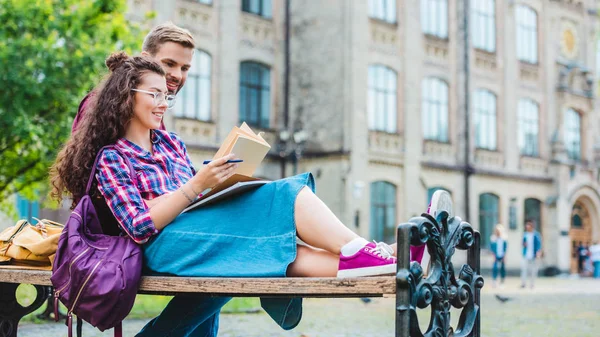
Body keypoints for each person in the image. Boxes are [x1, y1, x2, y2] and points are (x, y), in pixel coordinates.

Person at [49, 52, 397, 336]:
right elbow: (140, 225)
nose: (163, 104)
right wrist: (195, 186)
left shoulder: (170, 143)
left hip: (197, 229)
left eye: (166, 96)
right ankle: (367, 252)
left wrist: (216, 183)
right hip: (164, 247)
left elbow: (188, 200)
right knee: (287, 195)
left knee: (277, 247)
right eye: (154, 95)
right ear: (126, 98)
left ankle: (381, 264)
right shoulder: (113, 156)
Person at [72, 21, 195, 132]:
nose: (178, 76)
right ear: (146, 58)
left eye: (184, 68)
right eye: (169, 64)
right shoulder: (104, 104)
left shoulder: (153, 112)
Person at [521, 219, 542, 289]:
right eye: (526, 225)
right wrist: (524, 245)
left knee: (533, 270)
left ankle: (532, 284)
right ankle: (523, 283)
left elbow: (539, 245)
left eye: (528, 225)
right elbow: (523, 244)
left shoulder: (536, 235)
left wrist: (538, 253)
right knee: (524, 269)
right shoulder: (525, 235)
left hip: (533, 255)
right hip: (526, 254)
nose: (527, 226)